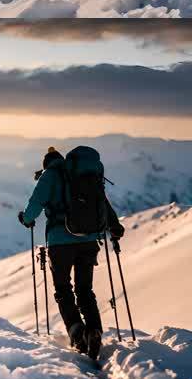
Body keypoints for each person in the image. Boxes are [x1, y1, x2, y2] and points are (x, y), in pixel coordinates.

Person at [19, 146, 125, 359]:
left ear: (46, 164)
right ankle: (94, 329)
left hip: (60, 242)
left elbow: (36, 202)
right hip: (89, 239)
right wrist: (114, 227)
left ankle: (78, 334)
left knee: (63, 289)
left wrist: (27, 219)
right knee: (85, 289)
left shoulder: (50, 175)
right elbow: (102, 202)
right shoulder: (84, 174)